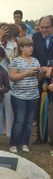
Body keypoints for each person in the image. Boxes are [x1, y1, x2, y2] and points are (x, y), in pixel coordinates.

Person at [9, 37, 44, 153]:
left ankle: (25, 143)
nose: (31, 48)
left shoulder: (35, 61)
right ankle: (14, 144)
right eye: (28, 46)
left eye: (32, 46)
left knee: (29, 121)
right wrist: (28, 72)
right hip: (18, 96)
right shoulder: (16, 61)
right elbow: (13, 77)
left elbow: (38, 79)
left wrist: (41, 73)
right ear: (21, 48)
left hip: (33, 95)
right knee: (19, 120)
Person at [32, 15, 53, 144]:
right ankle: (41, 137)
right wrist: (41, 69)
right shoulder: (35, 37)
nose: (44, 30)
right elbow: (32, 56)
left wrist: (50, 69)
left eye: (47, 27)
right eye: (42, 27)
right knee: (39, 108)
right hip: (39, 77)